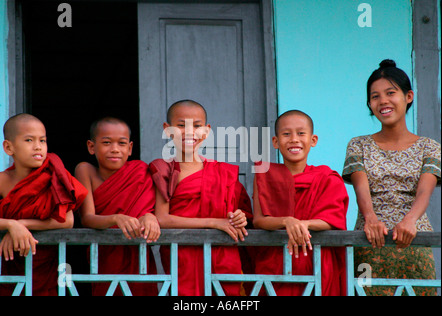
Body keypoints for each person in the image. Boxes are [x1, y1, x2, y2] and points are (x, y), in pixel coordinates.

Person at [342, 59, 440, 296]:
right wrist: (371, 219)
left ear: (408, 96)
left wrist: (410, 221)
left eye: (390, 93)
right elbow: (361, 189)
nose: (383, 101)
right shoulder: (358, 145)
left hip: (415, 243)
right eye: (375, 96)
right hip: (369, 242)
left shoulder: (430, 147)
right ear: (369, 103)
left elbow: (424, 192)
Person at [149, 100, 252, 296]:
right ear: (167, 129)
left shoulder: (223, 172)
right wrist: (215, 223)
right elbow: (161, 218)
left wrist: (239, 218)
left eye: (197, 126)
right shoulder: (163, 169)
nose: (189, 132)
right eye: (181, 125)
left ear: (207, 131)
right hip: (181, 256)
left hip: (222, 257)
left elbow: (241, 215)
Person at [252, 110, 348, 296]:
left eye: (301, 133)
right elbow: (259, 220)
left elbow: (333, 220)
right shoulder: (264, 175)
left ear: (313, 140)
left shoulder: (327, 178)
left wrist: (305, 224)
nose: (294, 139)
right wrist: (287, 221)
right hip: (276, 265)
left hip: (316, 264)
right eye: (286, 134)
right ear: (276, 142)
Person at [0, 113, 87, 296]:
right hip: (10, 268)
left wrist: (22, 224)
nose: (38, 147)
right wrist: (9, 224)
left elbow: (67, 221)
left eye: (42, 140)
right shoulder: (3, 181)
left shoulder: (54, 176)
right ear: (8, 147)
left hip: (47, 268)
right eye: (29, 140)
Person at [75, 117, 160, 296]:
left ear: (130, 148)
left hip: (138, 254)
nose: (115, 149)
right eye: (106, 143)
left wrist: (150, 217)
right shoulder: (86, 171)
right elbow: (87, 218)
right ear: (91, 147)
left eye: (121, 144)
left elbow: (149, 210)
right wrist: (116, 218)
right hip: (105, 254)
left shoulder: (140, 172)